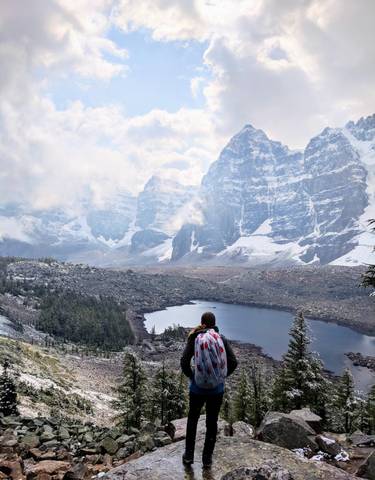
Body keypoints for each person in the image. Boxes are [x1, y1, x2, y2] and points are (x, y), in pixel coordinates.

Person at [180, 311, 238, 468]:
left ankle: (189, 456)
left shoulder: (195, 338)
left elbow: (184, 362)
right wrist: (221, 377)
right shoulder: (221, 339)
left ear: (202, 323)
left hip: (197, 389)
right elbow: (233, 362)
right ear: (214, 324)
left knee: (192, 419)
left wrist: (193, 377)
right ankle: (207, 459)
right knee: (211, 422)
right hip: (216, 390)